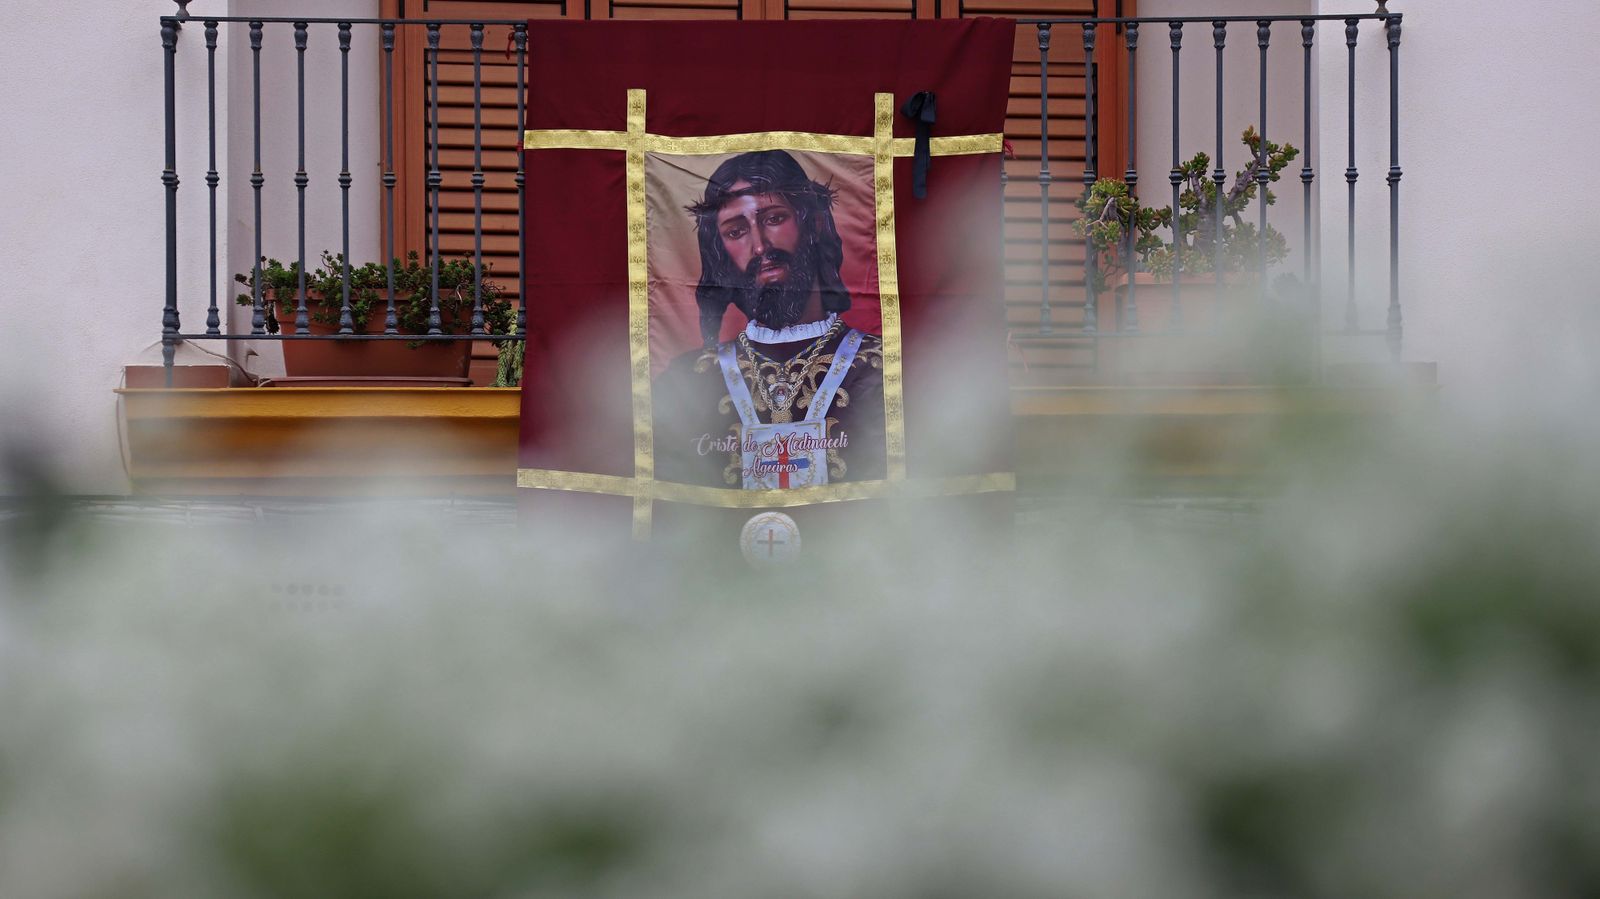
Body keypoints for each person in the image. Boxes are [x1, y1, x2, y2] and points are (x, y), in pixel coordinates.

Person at [653, 150, 885, 490]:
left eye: (774, 218)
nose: (760, 246)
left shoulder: (886, 372)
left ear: (813, 222)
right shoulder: (686, 383)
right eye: (735, 232)